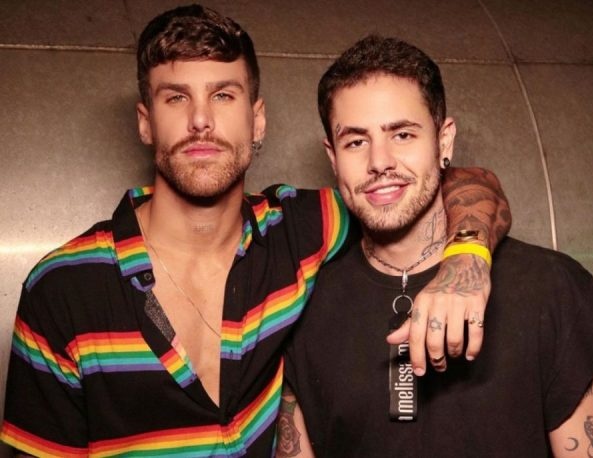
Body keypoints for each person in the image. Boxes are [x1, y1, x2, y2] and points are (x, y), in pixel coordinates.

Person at [0, 6, 510, 457]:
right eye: (176, 98)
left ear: (257, 120)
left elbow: (444, 182)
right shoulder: (63, 287)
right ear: (145, 122)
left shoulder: (300, 229)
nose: (201, 120)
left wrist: (467, 257)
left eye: (223, 94)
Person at [278, 35, 593, 457]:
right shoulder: (300, 304)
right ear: (333, 156)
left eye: (403, 135)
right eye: (356, 141)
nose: (379, 161)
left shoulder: (550, 288)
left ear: (444, 141)